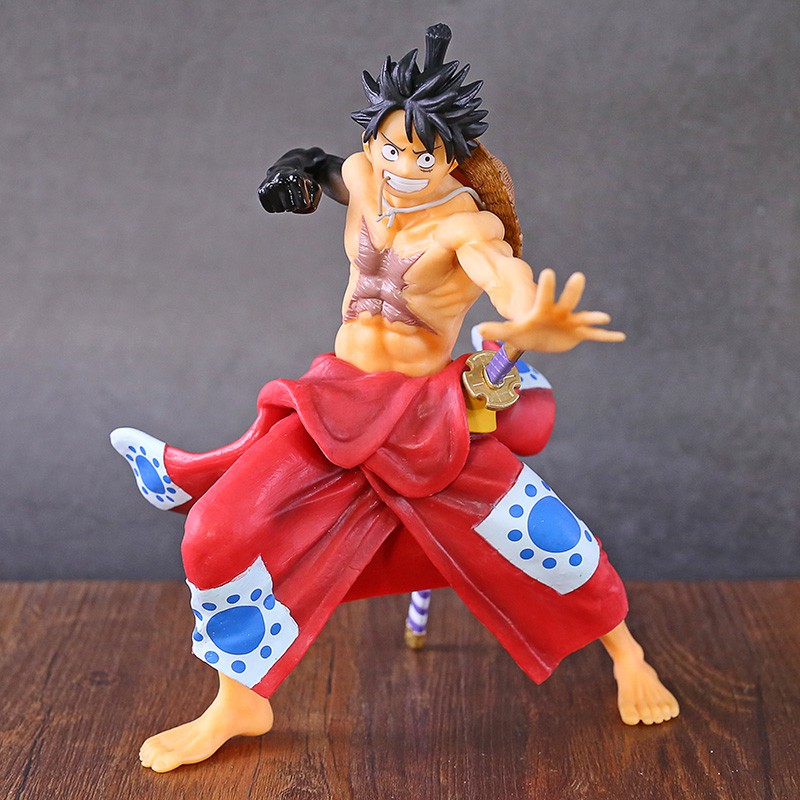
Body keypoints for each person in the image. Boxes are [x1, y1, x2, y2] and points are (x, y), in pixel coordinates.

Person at [112, 24, 678, 774]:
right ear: (372, 138)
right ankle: (238, 699)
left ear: (454, 156)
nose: (403, 166)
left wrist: (527, 324)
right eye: (390, 146)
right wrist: (292, 173)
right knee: (216, 530)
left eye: (424, 155)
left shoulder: (467, 225)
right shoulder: (363, 176)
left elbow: (505, 278)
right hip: (334, 402)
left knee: (538, 533)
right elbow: (321, 166)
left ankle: (628, 653)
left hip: (422, 419)